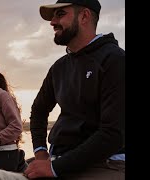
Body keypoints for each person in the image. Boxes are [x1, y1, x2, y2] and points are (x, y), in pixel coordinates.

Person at [23, 0, 125, 179]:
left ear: (84, 16)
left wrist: (55, 168)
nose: (52, 22)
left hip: (106, 164)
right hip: (60, 160)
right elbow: (38, 111)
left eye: (60, 14)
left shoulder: (114, 60)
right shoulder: (59, 67)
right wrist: (40, 152)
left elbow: (112, 134)